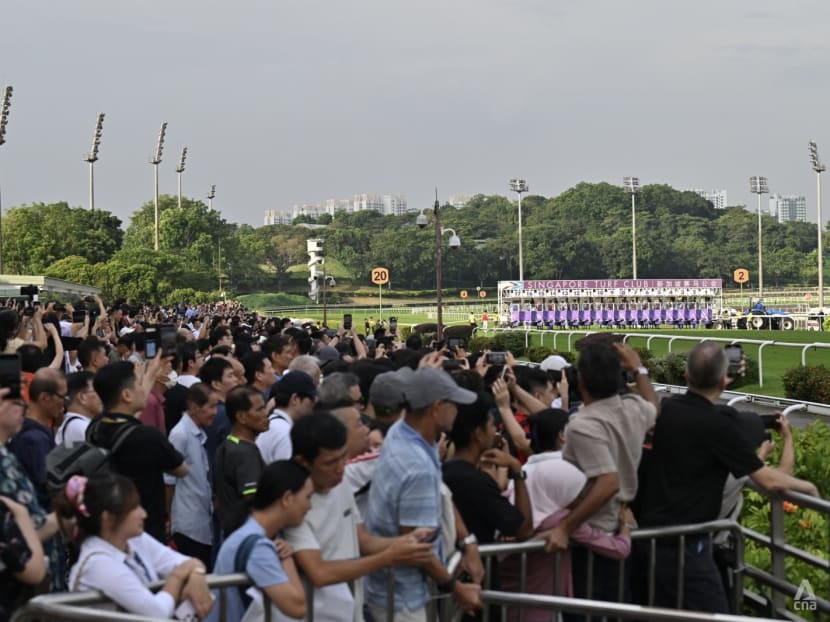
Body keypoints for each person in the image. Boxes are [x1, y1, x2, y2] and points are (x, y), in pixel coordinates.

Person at [631, 341, 818, 612]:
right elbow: (771, 480)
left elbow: (652, 405)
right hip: (687, 549)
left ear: (685, 376)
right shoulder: (719, 427)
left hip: (650, 540)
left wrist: (639, 369)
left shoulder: (670, 409)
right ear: (723, 382)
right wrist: (809, 487)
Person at [540, 340, 658, 617]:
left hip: (590, 538)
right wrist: (639, 369)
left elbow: (608, 481)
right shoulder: (633, 407)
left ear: (580, 380)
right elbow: (654, 406)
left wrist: (565, 528)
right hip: (619, 528)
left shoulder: (582, 425)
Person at [285, 412, 433, 622]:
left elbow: (362, 540)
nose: (340, 469)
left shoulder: (340, 484)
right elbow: (319, 572)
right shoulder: (292, 505)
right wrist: (389, 556)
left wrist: (408, 541)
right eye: (329, 463)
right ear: (303, 462)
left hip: (350, 611)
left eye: (343, 458)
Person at [365, 367, 482, 620]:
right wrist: (456, 588)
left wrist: (467, 542)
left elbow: (442, 492)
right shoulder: (416, 466)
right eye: (454, 403)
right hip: (401, 600)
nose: (458, 410)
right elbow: (417, 548)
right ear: (437, 407)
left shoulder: (402, 432)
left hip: (391, 589)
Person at [57, 474, 213, 620]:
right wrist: (177, 578)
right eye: (134, 508)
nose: (143, 514)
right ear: (108, 518)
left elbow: (180, 561)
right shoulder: (97, 564)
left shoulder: (134, 540)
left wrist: (196, 573)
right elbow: (157, 613)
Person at [88, 360, 187, 543]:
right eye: (137, 385)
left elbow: (128, 418)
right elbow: (181, 469)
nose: (143, 390)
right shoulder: (148, 437)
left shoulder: (95, 428)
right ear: (126, 395)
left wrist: (149, 375)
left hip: (110, 529)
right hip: (144, 533)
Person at [206, 461, 311, 622]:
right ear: (287, 498)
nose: (309, 506)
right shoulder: (258, 547)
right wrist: (287, 559)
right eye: (307, 497)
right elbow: (297, 607)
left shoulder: (248, 533)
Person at [165, 383, 218, 568]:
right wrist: (168, 518)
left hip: (202, 518)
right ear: (195, 407)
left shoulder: (199, 433)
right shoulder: (180, 434)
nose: (215, 412)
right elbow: (169, 480)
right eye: (211, 406)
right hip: (187, 524)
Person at [9, 368, 67, 510]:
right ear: (44, 398)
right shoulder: (35, 440)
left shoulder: (24, 427)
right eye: (62, 397)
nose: (64, 405)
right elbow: (50, 489)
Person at [214, 386, 269, 535]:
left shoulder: (228, 444)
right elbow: (252, 500)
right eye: (259, 410)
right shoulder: (245, 454)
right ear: (241, 417)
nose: (266, 414)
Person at [256, 371, 317, 464]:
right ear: (295, 399)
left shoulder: (273, 423)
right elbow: (286, 475)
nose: (314, 403)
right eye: (311, 398)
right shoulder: (285, 433)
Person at [55, 371, 103, 446]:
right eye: (97, 391)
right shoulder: (80, 426)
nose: (102, 396)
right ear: (82, 397)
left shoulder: (76, 424)